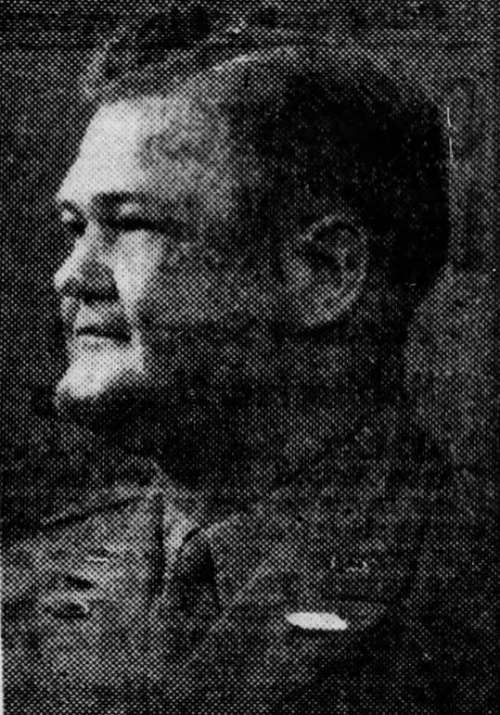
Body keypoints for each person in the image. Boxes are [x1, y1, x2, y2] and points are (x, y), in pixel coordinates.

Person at [2, 19, 495, 715]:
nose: (70, 275)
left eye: (132, 224)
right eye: (75, 227)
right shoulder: (22, 591)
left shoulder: (470, 587)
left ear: (325, 272)